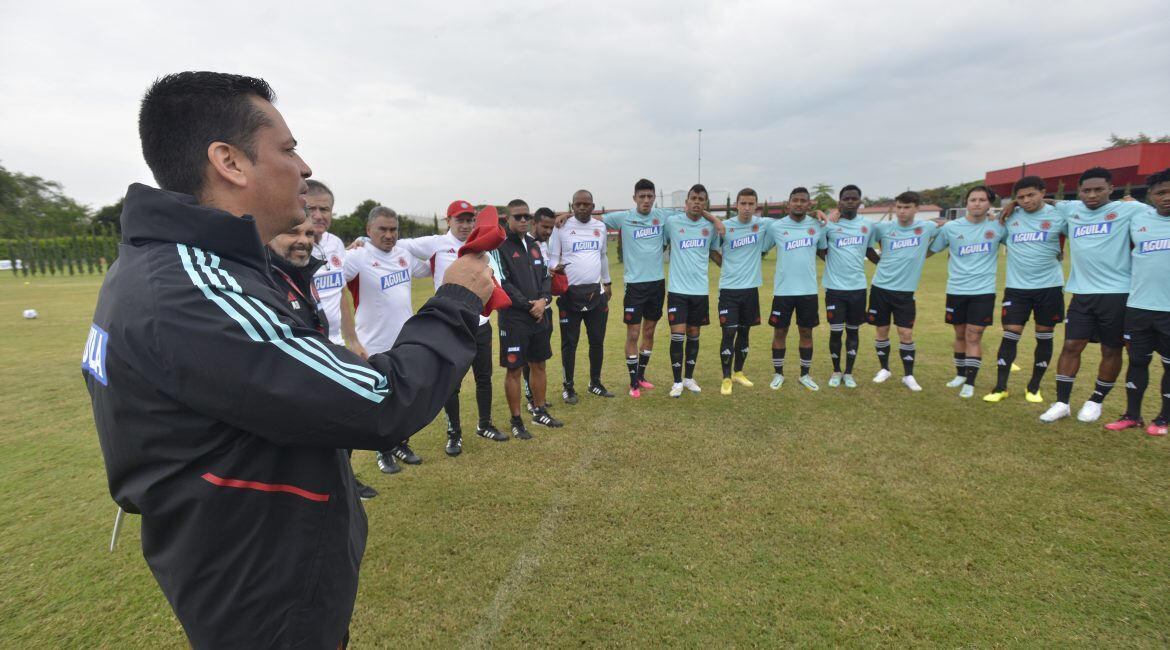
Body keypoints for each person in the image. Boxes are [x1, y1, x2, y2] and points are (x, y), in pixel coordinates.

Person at [81, 71, 493, 649]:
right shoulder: (191, 290)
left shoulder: (177, 268)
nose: (303, 168)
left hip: (249, 567)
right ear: (230, 161)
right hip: (262, 591)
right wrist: (456, 302)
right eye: (289, 148)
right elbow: (379, 401)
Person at [268, 217, 379, 501]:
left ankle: (344, 480)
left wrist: (351, 339)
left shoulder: (317, 259)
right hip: (303, 362)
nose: (305, 237)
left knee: (343, 423)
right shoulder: (267, 274)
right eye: (293, 231)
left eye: (308, 233)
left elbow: (340, 292)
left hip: (330, 348)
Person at [1034, 167, 1152, 423]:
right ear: (1080, 192)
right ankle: (1062, 402)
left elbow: (1157, 215)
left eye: (1099, 189)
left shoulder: (1130, 209)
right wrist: (1012, 207)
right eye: (1087, 190)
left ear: (1111, 189)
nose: (1093, 195)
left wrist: (1136, 201)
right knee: (1071, 345)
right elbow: (1045, 201)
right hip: (1081, 293)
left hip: (1117, 293)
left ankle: (1095, 401)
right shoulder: (1071, 208)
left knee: (1111, 350)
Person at [396, 200, 511, 456]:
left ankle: (485, 424)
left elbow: (496, 282)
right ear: (448, 221)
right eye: (460, 220)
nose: (465, 225)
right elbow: (401, 245)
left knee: (484, 377)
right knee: (452, 384)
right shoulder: (437, 243)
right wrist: (362, 240)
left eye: (470, 220)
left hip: (480, 324)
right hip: (451, 326)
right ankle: (454, 433)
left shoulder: (485, 248)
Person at [598, 179, 723, 397]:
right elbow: (594, 219)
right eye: (642, 196)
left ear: (654, 198)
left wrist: (714, 219)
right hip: (635, 285)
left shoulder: (664, 216)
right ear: (634, 197)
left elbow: (695, 210)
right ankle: (633, 381)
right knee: (633, 332)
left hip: (657, 284)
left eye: (650, 196)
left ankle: (642, 376)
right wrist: (566, 218)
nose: (646, 200)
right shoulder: (624, 217)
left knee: (649, 330)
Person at [344, 206, 432, 473]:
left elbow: (428, 269)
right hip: (373, 343)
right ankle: (383, 451)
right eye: (382, 229)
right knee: (380, 399)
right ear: (369, 230)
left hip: (405, 340)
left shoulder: (403, 253)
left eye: (393, 229)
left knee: (404, 398)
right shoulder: (358, 256)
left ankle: (401, 444)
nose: (388, 235)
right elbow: (327, 277)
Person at [983, 176, 1066, 404]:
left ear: (1042, 192)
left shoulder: (1058, 215)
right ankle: (1000, 387)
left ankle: (1034, 386)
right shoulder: (1010, 217)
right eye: (1020, 197)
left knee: (1044, 336)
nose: (1026, 200)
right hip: (1017, 288)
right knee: (1010, 335)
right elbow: (989, 232)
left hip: (1049, 287)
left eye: (1031, 195)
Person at [1106, 168, 1170, 434]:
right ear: (1151, 197)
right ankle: (1132, 415)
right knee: (1137, 362)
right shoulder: (1138, 219)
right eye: (1161, 193)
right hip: (1139, 307)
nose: (1167, 198)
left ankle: (1164, 418)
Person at [928, 185, 1006, 399]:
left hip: (983, 291)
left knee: (974, 335)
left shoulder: (999, 226)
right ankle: (960, 374)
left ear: (989, 203)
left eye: (982, 200)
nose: (977, 203)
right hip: (956, 289)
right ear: (966, 203)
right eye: (973, 200)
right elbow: (932, 250)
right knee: (960, 333)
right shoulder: (951, 228)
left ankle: (970, 382)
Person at [496, 199, 562, 438]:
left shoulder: (534, 245)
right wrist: (529, 305)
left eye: (526, 216)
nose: (523, 220)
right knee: (514, 369)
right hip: (514, 319)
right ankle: (516, 420)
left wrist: (544, 301)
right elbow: (503, 283)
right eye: (518, 216)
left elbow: (545, 276)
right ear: (507, 219)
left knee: (539, 364)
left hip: (539, 315)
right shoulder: (499, 246)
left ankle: (540, 410)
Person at [867, 191, 939, 391]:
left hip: (905, 292)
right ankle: (885, 369)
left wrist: (922, 256)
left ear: (917, 208)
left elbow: (946, 232)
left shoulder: (927, 227)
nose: (902, 211)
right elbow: (864, 242)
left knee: (905, 332)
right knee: (881, 330)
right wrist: (879, 262)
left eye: (907, 207)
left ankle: (908, 375)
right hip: (880, 287)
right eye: (899, 207)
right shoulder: (883, 228)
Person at [549, 190, 614, 402]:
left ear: (593, 205)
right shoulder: (561, 227)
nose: (583, 208)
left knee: (597, 342)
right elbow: (552, 258)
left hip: (596, 293)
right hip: (570, 295)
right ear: (572, 206)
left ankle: (595, 383)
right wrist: (555, 272)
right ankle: (568, 387)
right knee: (570, 343)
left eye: (587, 204)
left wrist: (607, 281)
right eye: (578, 204)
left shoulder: (600, 227)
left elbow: (603, 256)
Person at [761, 187, 824, 391]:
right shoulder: (775, 227)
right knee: (780, 331)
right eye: (795, 200)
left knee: (806, 332)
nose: (798, 204)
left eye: (803, 200)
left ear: (809, 204)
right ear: (788, 204)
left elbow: (825, 251)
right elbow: (762, 249)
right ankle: (778, 374)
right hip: (783, 292)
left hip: (808, 292)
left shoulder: (817, 225)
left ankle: (805, 375)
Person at [819, 185, 880, 388]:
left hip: (858, 289)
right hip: (834, 290)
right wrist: (830, 262)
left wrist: (884, 265)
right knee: (836, 332)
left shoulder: (868, 226)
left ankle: (849, 373)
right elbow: (820, 248)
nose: (850, 202)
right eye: (846, 198)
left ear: (860, 202)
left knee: (853, 331)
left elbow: (870, 250)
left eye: (854, 198)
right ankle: (836, 371)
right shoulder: (829, 225)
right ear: (840, 202)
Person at [664, 184, 721, 397]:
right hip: (678, 291)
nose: (697, 202)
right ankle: (677, 381)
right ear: (686, 202)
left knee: (694, 335)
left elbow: (714, 253)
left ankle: (689, 378)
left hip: (700, 292)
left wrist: (730, 266)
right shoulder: (672, 222)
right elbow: (660, 245)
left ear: (705, 203)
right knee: (677, 336)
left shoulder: (710, 227)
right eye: (694, 198)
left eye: (701, 199)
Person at [715, 188, 767, 395]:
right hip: (729, 291)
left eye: (751, 204)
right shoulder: (725, 226)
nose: (746, 208)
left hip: (751, 291)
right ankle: (726, 377)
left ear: (756, 206)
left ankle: (738, 372)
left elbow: (790, 221)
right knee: (729, 333)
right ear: (736, 204)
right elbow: (712, 249)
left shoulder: (762, 225)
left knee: (745, 333)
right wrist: (726, 266)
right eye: (743, 204)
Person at [304, 179, 357, 347]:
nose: (318, 216)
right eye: (311, 208)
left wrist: (353, 341)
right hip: (310, 346)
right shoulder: (289, 247)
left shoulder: (336, 243)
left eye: (324, 209)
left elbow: (340, 293)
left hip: (337, 344)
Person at [523, 208, 559, 413]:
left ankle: (538, 397)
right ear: (533, 223)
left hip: (547, 307)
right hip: (529, 310)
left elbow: (544, 273)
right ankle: (531, 398)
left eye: (551, 228)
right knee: (529, 359)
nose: (548, 231)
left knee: (539, 356)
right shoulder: (524, 244)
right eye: (545, 227)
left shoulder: (544, 245)